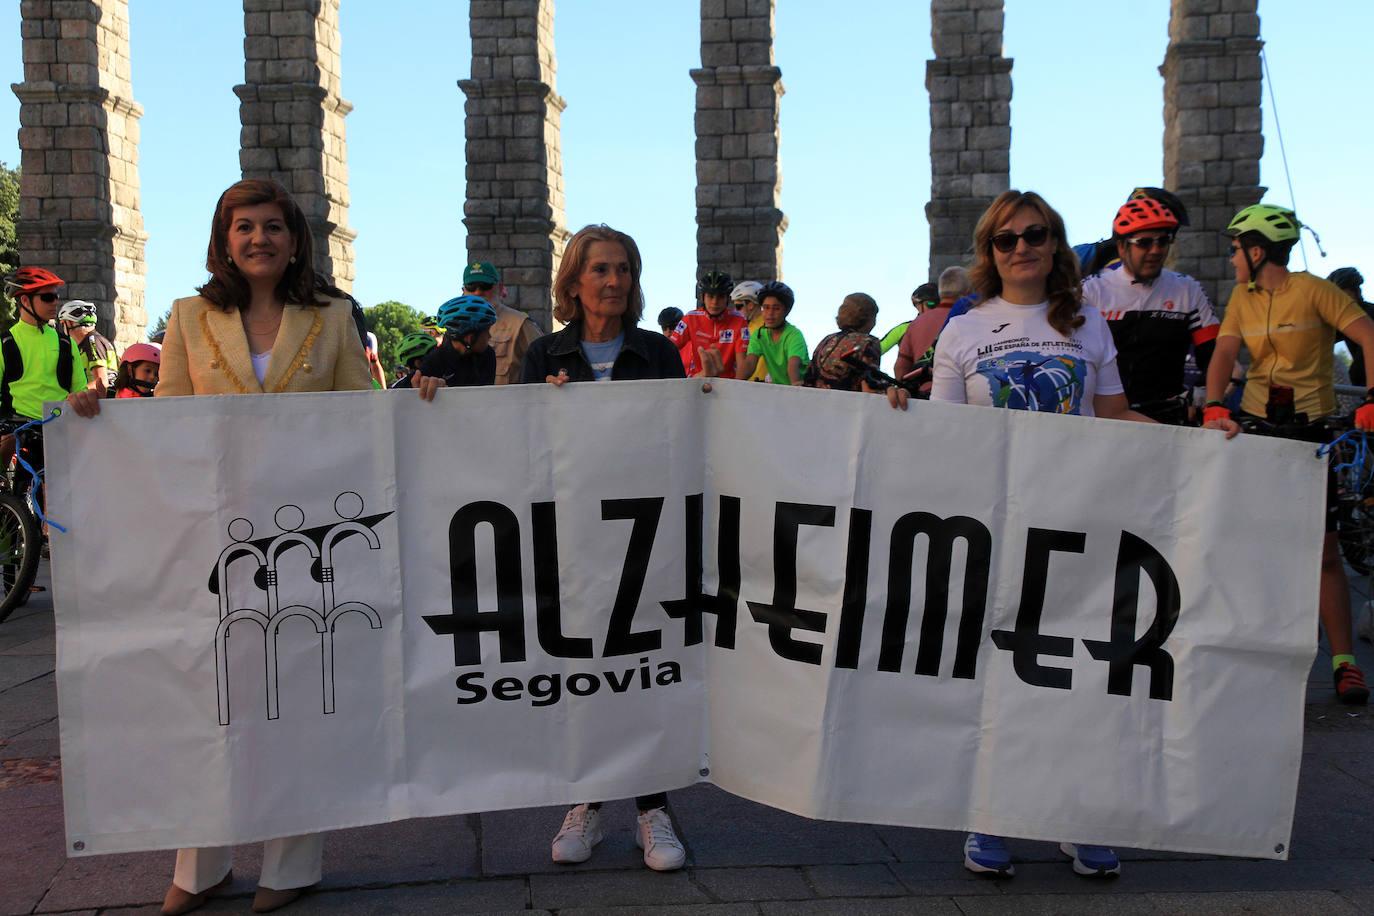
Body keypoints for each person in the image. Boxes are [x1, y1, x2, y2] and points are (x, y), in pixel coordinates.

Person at [75, 178, 444, 916]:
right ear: (224, 238)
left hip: (312, 538)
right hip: (217, 533)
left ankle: (294, 861)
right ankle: (200, 863)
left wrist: (421, 398)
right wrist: (98, 417)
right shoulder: (189, 316)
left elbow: (361, 425)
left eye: (272, 227)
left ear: (294, 237)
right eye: (243, 227)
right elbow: (169, 420)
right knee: (210, 697)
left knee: (303, 694)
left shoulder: (334, 317)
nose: (258, 240)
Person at [889, 189, 1152, 879]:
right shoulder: (963, 330)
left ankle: (1079, 812)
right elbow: (944, 435)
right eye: (1006, 239)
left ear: (1055, 243)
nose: (1022, 247)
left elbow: (1117, 414)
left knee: (1083, 677)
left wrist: (1207, 445)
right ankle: (992, 814)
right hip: (999, 523)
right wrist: (896, 414)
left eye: (1035, 234)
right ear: (989, 252)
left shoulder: (1087, 320)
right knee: (1000, 675)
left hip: (1084, 520)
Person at [520, 224, 690, 872]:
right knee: (583, 673)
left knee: (644, 668)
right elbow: (517, 439)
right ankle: (586, 803)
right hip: (573, 536)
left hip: (644, 535)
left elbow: (682, 436)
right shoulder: (544, 356)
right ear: (574, 281)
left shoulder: (658, 351)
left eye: (623, 269)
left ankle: (654, 809)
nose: (614, 281)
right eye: (601, 270)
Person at [1202, 204, 1374, 706]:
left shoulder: (1316, 289)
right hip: (1258, 429)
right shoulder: (1241, 297)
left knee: (1323, 552)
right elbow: (1225, 354)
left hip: (1311, 432)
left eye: (1236, 248)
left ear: (1257, 251)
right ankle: (1264, 652)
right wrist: (1214, 405)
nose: (1232, 257)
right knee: (1256, 546)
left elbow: (1368, 336)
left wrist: (1371, 397)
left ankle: (1344, 662)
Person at [1081, 199, 1220, 424]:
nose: (1155, 250)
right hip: (1108, 416)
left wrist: (1212, 402)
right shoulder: (1092, 291)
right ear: (1122, 247)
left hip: (1168, 415)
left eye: (1163, 241)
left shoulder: (1187, 289)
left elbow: (1214, 354)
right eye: (1144, 243)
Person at [0, 267, 101, 501]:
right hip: (15, 425)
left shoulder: (66, 343)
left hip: (56, 425)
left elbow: (79, 389)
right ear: (24, 300)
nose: (55, 302)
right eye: (47, 297)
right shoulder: (6, 343)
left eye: (56, 296)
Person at [461, 260, 542, 385]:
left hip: (508, 403)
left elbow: (546, 361)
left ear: (499, 288)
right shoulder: (454, 326)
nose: (478, 292)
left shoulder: (520, 323)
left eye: (485, 285)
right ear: (463, 291)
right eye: (471, 286)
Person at [894, 268, 969, 390]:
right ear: (967, 292)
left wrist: (905, 390)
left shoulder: (915, 324)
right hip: (959, 395)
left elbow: (901, 366)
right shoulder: (969, 319)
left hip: (923, 395)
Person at [670, 269, 749, 378]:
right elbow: (668, 350)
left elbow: (742, 364)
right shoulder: (690, 318)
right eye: (710, 296)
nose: (714, 302)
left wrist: (736, 390)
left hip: (727, 384)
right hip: (698, 380)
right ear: (703, 297)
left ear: (727, 299)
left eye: (720, 297)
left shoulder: (740, 321)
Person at [803, 293, 883, 392]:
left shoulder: (827, 340)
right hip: (848, 404)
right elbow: (871, 386)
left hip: (815, 402)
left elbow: (808, 379)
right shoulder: (869, 342)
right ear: (868, 318)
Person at [417, 295, 498, 388]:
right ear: (470, 338)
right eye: (487, 331)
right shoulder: (434, 361)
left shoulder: (487, 355)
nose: (490, 336)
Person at [736, 281, 807, 385]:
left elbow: (793, 364)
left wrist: (795, 388)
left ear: (786, 311)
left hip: (799, 390)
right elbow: (749, 363)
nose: (770, 314)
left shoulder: (794, 335)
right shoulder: (759, 334)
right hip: (777, 391)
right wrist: (734, 385)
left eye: (776, 308)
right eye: (765, 307)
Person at [58, 299, 117, 389]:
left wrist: (74, 395)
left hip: (104, 400)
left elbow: (101, 382)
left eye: (62, 324)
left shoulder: (92, 342)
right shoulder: (87, 342)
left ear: (69, 323)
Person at [1330, 268, 1372, 385]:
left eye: (1339, 295)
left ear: (1356, 291)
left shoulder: (1365, 316)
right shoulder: (1348, 316)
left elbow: (1361, 367)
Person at [879, 283, 935, 357]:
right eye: (931, 304)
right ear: (917, 306)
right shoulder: (904, 329)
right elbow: (875, 350)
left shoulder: (950, 326)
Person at [731, 280, 769, 381]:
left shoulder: (751, 329)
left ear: (751, 304)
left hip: (754, 385)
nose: (735, 311)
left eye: (738, 306)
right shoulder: (769, 325)